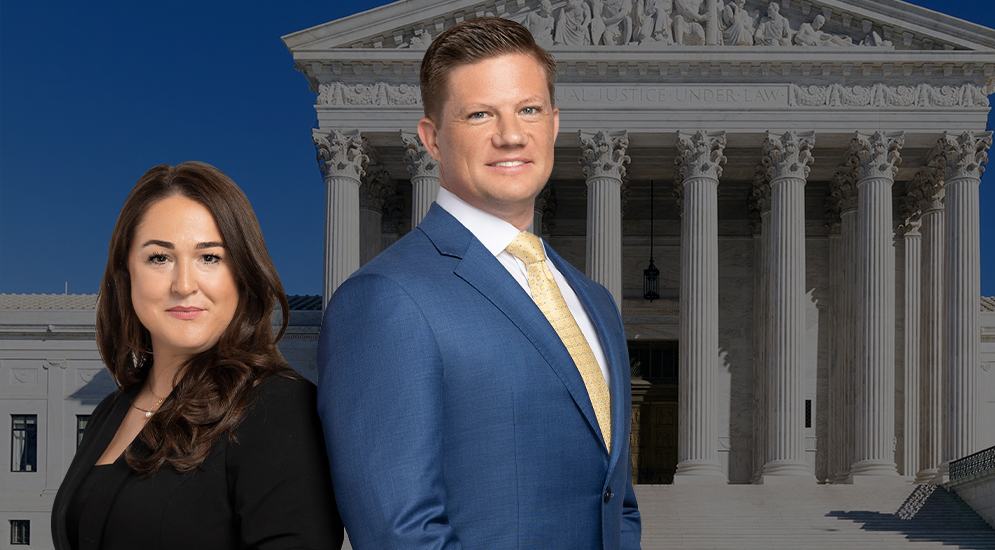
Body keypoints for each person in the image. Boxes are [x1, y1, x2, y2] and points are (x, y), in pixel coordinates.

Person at [317, 17, 641, 550]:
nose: (511, 134)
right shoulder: (384, 299)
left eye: (528, 110)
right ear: (431, 139)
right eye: (479, 114)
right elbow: (401, 534)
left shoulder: (594, 302)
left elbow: (615, 500)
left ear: (555, 123)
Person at [51, 162, 344, 550]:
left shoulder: (281, 407)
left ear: (242, 273)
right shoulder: (112, 409)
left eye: (210, 258)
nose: (185, 285)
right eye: (159, 258)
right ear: (127, 273)